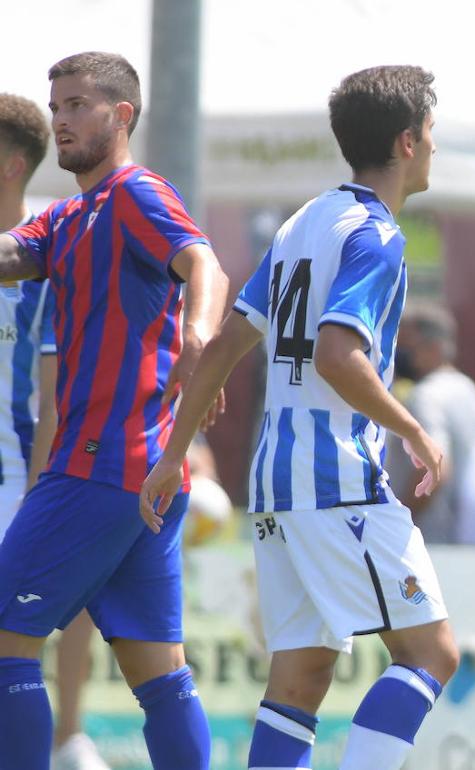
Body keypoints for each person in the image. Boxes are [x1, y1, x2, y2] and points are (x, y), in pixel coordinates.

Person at [140, 64, 458, 770]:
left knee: (300, 678)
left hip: (274, 481)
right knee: (431, 654)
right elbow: (338, 356)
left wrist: (173, 453)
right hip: (335, 476)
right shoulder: (377, 235)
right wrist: (412, 429)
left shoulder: (302, 221)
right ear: (407, 142)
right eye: (432, 131)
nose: (436, 146)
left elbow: (225, 344)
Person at [0, 52, 229, 770]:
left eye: (77, 105)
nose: (61, 121)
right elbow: (8, 255)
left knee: (5, 641)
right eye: (56, 108)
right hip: (146, 476)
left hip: (99, 464)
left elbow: (205, 263)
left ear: (121, 115)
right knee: (159, 675)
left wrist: (199, 335)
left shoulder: (135, 193)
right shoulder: (69, 215)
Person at [0, 91, 112, 770]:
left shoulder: (47, 260)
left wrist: (40, 497)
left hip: (17, 476)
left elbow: (54, 400)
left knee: (62, 611)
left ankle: (69, 736)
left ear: (12, 164)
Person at [387, 302, 475, 545]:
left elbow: (435, 465)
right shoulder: (466, 387)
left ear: (434, 348)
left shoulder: (425, 396)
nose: (397, 354)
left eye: (404, 346)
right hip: (465, 542)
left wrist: (398, 521)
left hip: (433, 539)